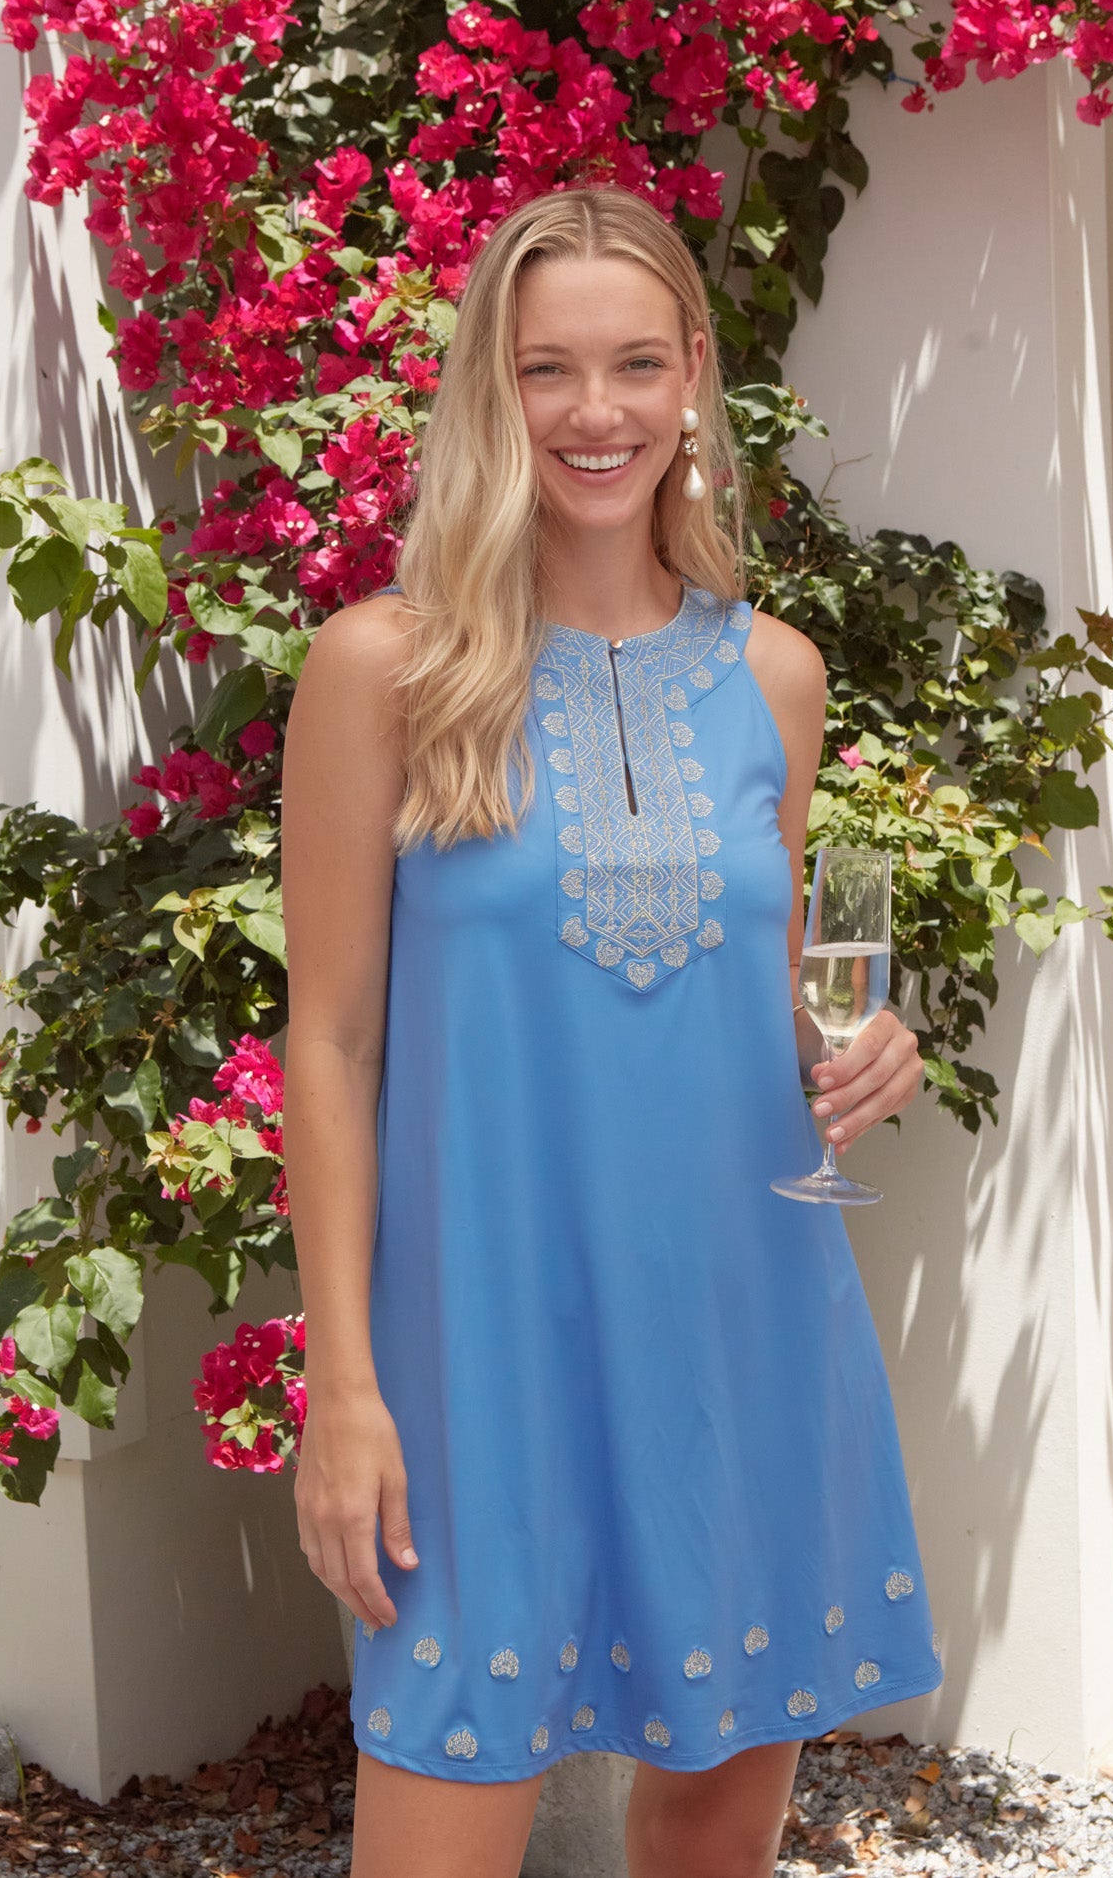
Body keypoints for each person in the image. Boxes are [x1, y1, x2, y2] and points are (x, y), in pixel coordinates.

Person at [279, 182, 942, 1878]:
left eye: (635, 363)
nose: (595, 412)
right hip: (477, 1346)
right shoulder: (384, 667)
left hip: (741, 1322)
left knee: (719, 1830)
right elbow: (334, 1041)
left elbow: (774, 993)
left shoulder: (773, 674)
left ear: (692, 378)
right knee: (440, 1802)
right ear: (488, 392)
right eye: (546, 369)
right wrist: (340, 1385)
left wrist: (871, 1050)